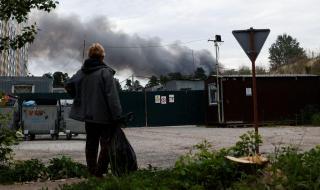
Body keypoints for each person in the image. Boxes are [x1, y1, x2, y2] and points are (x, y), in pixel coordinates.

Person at [65, 43, 122, 177]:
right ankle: (99, 173)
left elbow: (68, 85)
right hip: (104, 118)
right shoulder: (105, 72)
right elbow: (112, 97)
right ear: (102, 57)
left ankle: (92, 172)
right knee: (107, 145)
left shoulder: (81, 72)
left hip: (89, 117)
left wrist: (78, 97)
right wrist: (118, 116)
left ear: (90, 56)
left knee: (91, 144)